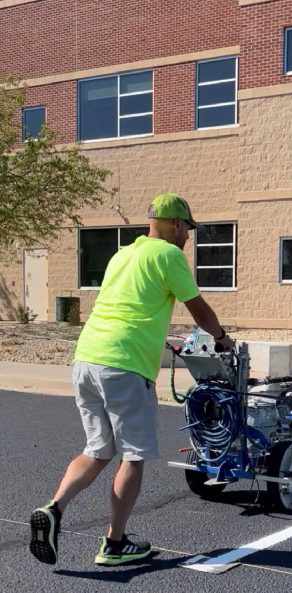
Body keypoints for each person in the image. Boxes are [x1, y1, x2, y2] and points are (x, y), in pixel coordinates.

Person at [29, 193, 234, 567]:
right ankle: (114, 543)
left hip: (87, 358)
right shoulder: (170, 256)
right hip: (125, 365)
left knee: (98, 450)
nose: (189, 234)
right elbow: (198, 309)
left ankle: (54, 509)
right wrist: (222, 338)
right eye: (188, 227)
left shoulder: (122, 254)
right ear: (174, 223)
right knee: (133, 458)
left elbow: (131, 305)